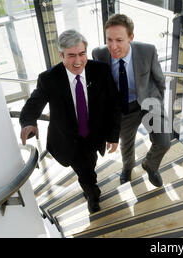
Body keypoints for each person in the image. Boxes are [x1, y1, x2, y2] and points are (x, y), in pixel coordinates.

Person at [19, 29, 121, 213]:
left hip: (94, 134)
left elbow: (114, 104)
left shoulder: (100, 70)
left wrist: (113, 136)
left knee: (90, 164)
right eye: (71, 55)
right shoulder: (49, 79)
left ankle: (90, 186)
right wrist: (28, 122)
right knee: (85, 171)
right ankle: (92, 194)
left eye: (82, 54)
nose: (78, 61)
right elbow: (32, 105)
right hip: (67, 139)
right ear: (61, 55)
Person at [92, 14, 171, 187]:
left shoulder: (147, 51)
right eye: (109, 39)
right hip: (122, 108)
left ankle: (150, 165)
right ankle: (127, 168)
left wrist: (158, 104)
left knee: (164, 141)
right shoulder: (99, 54)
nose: (113, 46)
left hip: (148, 101)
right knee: (126, 144)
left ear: (131, 37)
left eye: (119, 40)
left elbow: (159, 80)